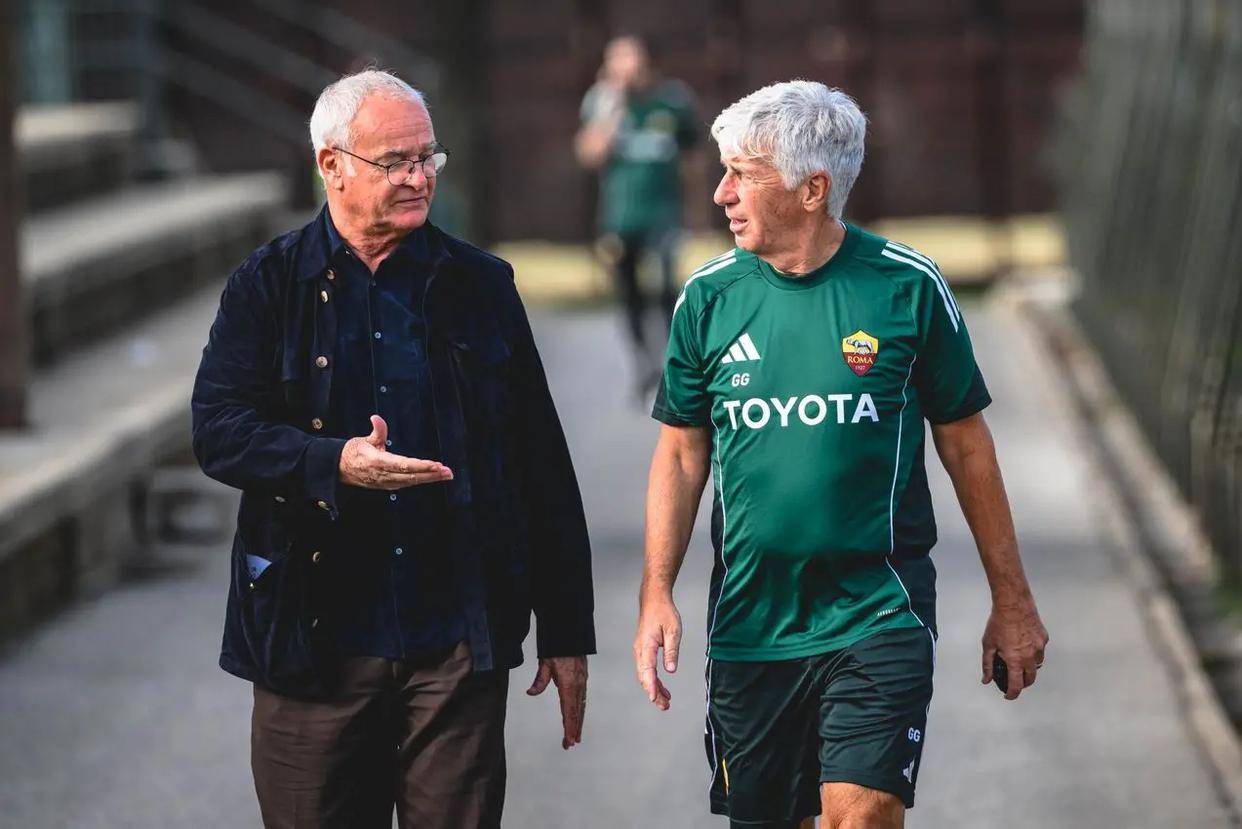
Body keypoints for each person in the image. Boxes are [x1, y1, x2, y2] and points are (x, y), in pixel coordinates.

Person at [633, 81, 1049, 829]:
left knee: (862, 814)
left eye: (742, 175)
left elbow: (966, 445)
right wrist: (655, 593)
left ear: (812, 189)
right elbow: (682, 455)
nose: (722, 194)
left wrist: (1011, 600)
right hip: (752, 626)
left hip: (878, 611)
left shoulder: (907, 287)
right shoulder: (707, 299)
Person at [191, 70, 595, 829]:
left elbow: (540, 461)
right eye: (395, 162)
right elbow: (217, 430)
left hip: (454, 642)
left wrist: (567, 630)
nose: (418, 177)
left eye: (426, 157)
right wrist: (332, 462)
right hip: (313, 643)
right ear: (331, 164)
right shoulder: (267, 284)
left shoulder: (481, 285)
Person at [575, 34, 699, 394]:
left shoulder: (673, 101)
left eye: (626, 58)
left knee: (667, 287)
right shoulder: (602, 101)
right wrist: (612, 108)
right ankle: (643, 362)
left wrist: (695, 211)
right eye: (613, 60)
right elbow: (589, 154)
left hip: (663, 211)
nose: (620, 67)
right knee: (628, 290)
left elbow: (692, 158)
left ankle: (673, 363)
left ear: (645, 61)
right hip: (621, 214)